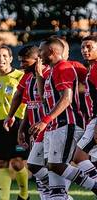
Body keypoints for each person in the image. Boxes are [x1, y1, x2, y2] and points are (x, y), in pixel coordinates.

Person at [29, 37, 97, 199]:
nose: (38, 54)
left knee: (60, 163)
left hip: (67, 123)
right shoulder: (52, 71)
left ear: (52, 51)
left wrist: (44, 121)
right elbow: (45, 100)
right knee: (48, 166)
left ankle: (94, 186)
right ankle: (58, 193)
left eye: (41, 50)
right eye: (82, 47)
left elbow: (67, 98)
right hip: (54, 125)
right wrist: (39, 75)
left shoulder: (65, 67)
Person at [4, 45, 50, 199]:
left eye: (24, 62)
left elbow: (48, 100)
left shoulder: (50, 74)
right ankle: (52, 194)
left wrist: (39, 74)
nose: (21, 65)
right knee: (35, 167)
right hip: (33, 130)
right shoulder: (27, 77)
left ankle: (59, 190)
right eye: (20, 62)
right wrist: (20, 126)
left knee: (49, 165)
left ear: (38, 60)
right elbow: (25, 101)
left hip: (51, 128)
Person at [0, 45, 29, 200]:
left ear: (11, 59)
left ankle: (24, 195)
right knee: (0, 162)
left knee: (17, 163)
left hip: (16, 124)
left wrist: (24, 127)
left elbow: (26, 103)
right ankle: (4, 198)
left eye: (4, 56)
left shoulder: (21, 76)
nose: (1, 59)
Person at [75, 35, 97, 180]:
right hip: (92, 118)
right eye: (83, 47)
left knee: (79, 156)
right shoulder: (91, 69)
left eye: (89, 47)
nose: (85, 50)